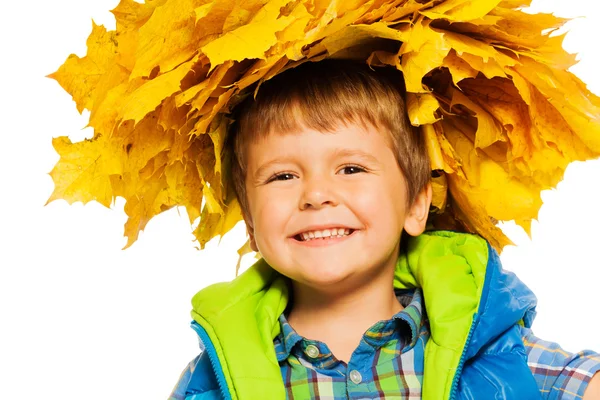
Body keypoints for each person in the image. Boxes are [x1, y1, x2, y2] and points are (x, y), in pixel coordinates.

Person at [168, 59, 600, 399]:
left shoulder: (489, 350)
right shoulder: (210, 380)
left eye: (351, 168)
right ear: (250, 223)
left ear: (415, 205)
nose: (316, 194)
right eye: (283, 176)